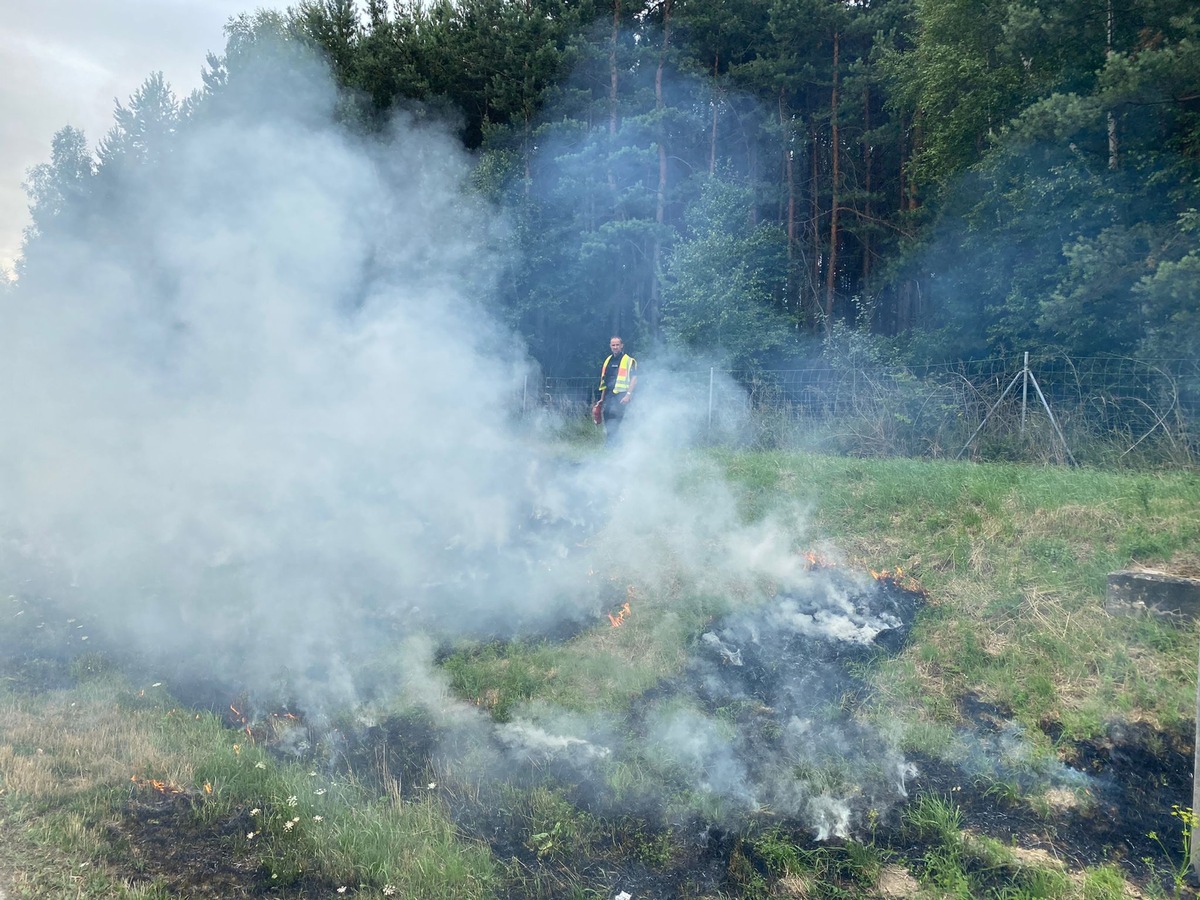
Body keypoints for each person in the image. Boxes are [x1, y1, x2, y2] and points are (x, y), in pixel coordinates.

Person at [597, 335, 637, 444]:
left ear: (622, 346)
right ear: (610, 346)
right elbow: (605, 381)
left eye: (617, 345)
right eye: (613, 345)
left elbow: (634, 377)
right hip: (609, 395)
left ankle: (614, 444)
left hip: (621, 395)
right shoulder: (608, 361)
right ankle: (611, 442)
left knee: (616, 418)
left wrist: (628, 395)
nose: (615, 347)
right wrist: (601, 399)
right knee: (606, 415)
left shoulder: (629, 360)